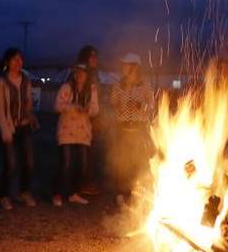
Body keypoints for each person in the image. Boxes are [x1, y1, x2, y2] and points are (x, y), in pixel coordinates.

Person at [0, 48, 39, 210]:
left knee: (29, 162)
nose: (18, 62)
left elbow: (28, 102)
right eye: (14, 59)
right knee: (10, 163)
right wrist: (5, 130)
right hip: (9, 126)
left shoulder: (25, 79)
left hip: (24, 125)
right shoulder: (1, 81)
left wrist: (30, 116)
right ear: (7, 62)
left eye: (20, 59)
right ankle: (4, 196)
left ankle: (24, 192)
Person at [109, 53, 154, 207]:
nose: (123, 67)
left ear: (135, 67)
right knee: (121, 163)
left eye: (127, 64)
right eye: (123, 64)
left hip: (139, 129)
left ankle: (137, 195)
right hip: (123, 128)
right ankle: (120, 194)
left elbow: (152, 106)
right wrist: (119, 108)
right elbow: (113, 103)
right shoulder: (118, 85)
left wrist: (140, 106)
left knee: (139, 162)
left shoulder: (145, 85)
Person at [52, 63, 99, 207]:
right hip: (66, 131)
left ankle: (74, 193)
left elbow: (96, 109)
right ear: (73, 74)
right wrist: (73, 107)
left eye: (83, 73)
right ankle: (58, 194)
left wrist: (87, 110)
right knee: (66, 163)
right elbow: (57, 106)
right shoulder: (67, 88)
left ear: (87, 75)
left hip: (83, 132)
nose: (79, 76)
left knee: (82, 164)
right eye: (77, 73)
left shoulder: (91, 90)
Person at [77, 45, 104, 195]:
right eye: (91, 56)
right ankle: (82, 183)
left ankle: (87, 181)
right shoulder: (80, 75)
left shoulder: (95, 75)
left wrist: (98, 117)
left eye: (96, 56)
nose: (95, 59)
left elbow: (97, 98)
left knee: (90, 151)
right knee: (83, 152)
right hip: (81, 120)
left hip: (93, 117)